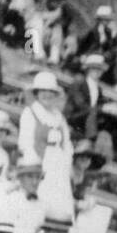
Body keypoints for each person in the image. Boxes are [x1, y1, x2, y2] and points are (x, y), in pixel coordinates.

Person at [18, 71, 75, 223]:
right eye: (43, 91)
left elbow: (67, 144)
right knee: (42, 198)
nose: (47, 95)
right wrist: (35, 167)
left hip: (59, 163)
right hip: (41, 163)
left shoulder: (59, 117)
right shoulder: (30, 112)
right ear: (36, 93)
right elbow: (26, 142)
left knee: (60, 200)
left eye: (50, 92)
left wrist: (67, 164)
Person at [64, 53, 108, 141]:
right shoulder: (79, 83)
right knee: (93, 112)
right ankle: (91, 139)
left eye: (99, 69)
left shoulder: (98, 89)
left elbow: (101, 104)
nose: (97, 72)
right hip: (73, 117)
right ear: (88, 69)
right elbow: (80, 104)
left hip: (87, 119)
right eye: (94, 68)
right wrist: (102, 108)